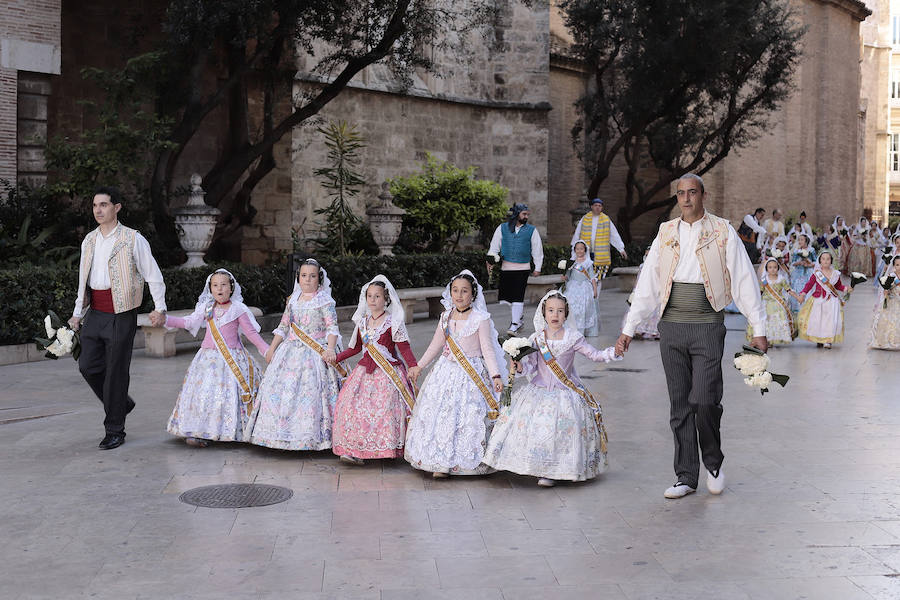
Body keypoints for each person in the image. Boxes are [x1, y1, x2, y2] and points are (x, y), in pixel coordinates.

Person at [616, 173, 767, 500]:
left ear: (703, 195)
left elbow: (743, 280)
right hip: (671, 326)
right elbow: (648, 284)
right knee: (680, 404)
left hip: (707, 325)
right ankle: (685, 475)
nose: (686, 199)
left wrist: (760, 326)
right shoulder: (665, 233)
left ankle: (713, 463)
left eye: (692, 192)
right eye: (681, 193)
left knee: (704, 399)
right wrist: (629, 329)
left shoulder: (723, 231)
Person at [483, 291, 621, 487]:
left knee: (561, 427)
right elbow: (531, 367)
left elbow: (595, 355)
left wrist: (613, 353)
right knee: (535, 426)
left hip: (565, 392)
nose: (555, 315)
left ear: (566, 314)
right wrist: (519, 365)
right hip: (538, 389)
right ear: (543, 313)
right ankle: (536, 467)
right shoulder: (536, 338)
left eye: (560, 311)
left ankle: (556, 470)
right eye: (551, 310)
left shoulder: (573, 337)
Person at [69, 187, 167, 450]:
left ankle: (115, 429)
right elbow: (83, 280)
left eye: (103, 205)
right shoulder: (89, 240)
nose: (98, 210)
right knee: (87, 366)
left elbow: (153, 275)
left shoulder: (133, 239)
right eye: (94, 206)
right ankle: (121, 404)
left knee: (115, 373)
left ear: (117, 208)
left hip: (122, 313)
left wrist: (160, 308)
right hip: (95, 313)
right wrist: (77, 313)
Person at [404, 270, 505, 477]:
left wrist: (495, 375)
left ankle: (463, 462)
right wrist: (419, 366)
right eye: (455, 291)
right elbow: (435, 345)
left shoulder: (480, 318)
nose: (459, 295)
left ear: (473, 295)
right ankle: (439, 462)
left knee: (467, 417)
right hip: (445, 372)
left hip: (472, 375)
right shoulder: (445, 317)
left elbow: (487, 349)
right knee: (442, 415)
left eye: (464, 291)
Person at [161, 269, 268, 447]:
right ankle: (199, 431)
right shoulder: (207, 308)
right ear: (210, 289)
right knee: (204, 394)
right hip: (207, 359)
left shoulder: (238, 309)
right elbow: (188, 322)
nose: (220, 289)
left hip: (233, 359)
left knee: (230, 394)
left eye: (224, 285)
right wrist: (166, 319)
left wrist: (267, 351)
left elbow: (251, 334)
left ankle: (232, 430)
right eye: (215, 285)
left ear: (231, 288)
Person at [247, 259, 343, 451]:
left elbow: (332, 327)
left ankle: (311, 437)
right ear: (298, 278)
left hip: (316, 354)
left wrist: (330, 349)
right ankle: (278, 436)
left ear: (319, 279)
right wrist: (272, 348)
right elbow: (283, 326)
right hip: (289, 352)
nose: (307, 280)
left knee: (312, 393)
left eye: (312, 276)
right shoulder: (293, 300)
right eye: (303, 275)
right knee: (282, 392)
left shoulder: (325, 301)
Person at [330, 276, 418, 464]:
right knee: (351, 404)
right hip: (364, 371)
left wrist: (413, 366)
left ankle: (385, 448)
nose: (372, 300)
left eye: (377, 296)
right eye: (369, 296)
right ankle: (354, 449)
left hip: (387, 374)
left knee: (385, 408)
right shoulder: (363, 322)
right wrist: (336, 358)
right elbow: (354, 348)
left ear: (386, 299)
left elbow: (404, 348)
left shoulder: (393, 322)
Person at [488, 203, 544, 333]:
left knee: (518, 296)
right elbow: (494, 246)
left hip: (523, 268)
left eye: (527, 214)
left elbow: (537, 249)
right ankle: (519, 317)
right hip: (506, 268)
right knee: (505, 299)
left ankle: (514, 324)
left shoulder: (531, 230)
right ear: (516, 214)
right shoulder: (502, 228)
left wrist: (538, 267)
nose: (526, 216)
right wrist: (491, 259)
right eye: (524, 214)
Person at [790, 250, 848, 350]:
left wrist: (846, 289)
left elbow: (838, 286)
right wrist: (803, 293)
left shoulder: (835, 274)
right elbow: (809, 285)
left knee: (830, 321)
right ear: (820, 261)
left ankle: (828, 340)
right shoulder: (817, 274)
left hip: (831, 301)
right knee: (818, 320)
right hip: (818, 300)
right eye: (823, 259)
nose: (826, 261)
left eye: (828, 259)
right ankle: (819, 338)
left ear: (831, 261)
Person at [569, 198, 627, 279]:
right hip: (586, 252)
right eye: (595, 205)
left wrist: (621, 248)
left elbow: (613, 235)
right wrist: (573, 248)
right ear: (592, 206)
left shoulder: (606, 219)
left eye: (599, 206)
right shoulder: (585, 219)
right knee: (586, 277)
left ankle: (596, 292)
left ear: (602, 208)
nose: (597, 207)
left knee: (598, 278)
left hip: (601, 254)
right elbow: (577, 233)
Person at [747, 259, 795, 346]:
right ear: (766, 269)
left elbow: (788, 289)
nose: (772, 269)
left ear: (778, 268)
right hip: (766, 303)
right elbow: (760, 291)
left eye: (775, 267)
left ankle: (774, 338)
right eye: (770, 267)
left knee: (776, 321)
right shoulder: (764, 280)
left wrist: (797, 297)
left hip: (778, 304)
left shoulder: (781, 279)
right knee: (766, 321)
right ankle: (767, 339)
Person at [562, 241, 601, 336]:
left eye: (581, 249)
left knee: (585, 308)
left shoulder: (588, 263)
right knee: (572, 307)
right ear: (574, 250)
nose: (579, 251)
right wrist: (564, 277)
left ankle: (584, 330)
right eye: (577, 249)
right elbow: (568, 275)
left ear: (585, 250)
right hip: (572, 287)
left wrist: (595, 289)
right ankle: (572, 329)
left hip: (585, 288)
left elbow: (592, 277)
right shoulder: (572, 262)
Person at [870, 255, 900, 350]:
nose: (899, 267)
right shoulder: (892, 276)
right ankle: (888, 340)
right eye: (897, 265)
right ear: (894, 266)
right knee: (889, 319)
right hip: (893, 300)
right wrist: (886, 291)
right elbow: (887, 288)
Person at [788, 234, 816, 313]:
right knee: (798, 288)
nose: (800, 241)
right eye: (799, 240)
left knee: (808, 288)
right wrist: (799, 262)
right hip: (798, 273)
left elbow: (815, 261)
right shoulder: (796, 251)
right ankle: (797, 307)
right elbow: (793, 263)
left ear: (806, 241)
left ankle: (808, 307)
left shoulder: (811, 250)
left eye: (802, 240)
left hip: (808, 272)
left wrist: (808, 263)